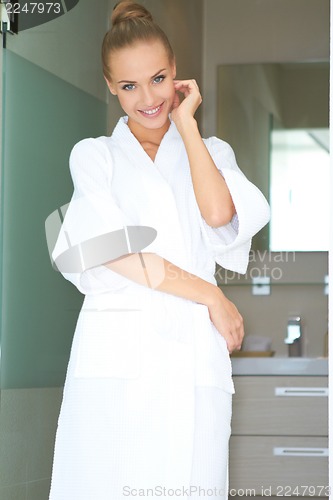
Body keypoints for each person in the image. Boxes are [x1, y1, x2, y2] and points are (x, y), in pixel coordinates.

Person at [49, 1, 270, 499]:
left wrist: (188, 124)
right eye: (129, 86)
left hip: (191, 356)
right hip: (115, 353)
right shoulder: (95, 157)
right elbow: (109, 250)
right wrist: (211, 296)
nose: (148, 98)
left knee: (190, 483)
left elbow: (219, 216)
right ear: (110, 86)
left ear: (177, 77)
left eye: (158, 78)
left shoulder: (211, 152)